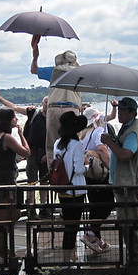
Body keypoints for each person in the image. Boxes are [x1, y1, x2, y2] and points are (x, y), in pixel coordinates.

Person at [0, 86, 49, 218]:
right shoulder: (33, 114)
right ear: (42, 103)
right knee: (31, 182)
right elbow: (26, 152)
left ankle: (43, 208)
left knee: (44, 182)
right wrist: (21, 135)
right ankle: (31, 209)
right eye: (45, 102)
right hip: (13, 170)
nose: (47, 105)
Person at [101, 97, 138, 263]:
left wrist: (109, 143)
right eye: (119, 109)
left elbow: (125, 155)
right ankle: (137, 254)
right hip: (125, 182)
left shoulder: (132, 131)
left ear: (132, 112)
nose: (119, 113)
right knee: (128, 221)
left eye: (123, 110)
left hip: (128, 184)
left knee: (129, 221)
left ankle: (137, 256)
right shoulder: (129, 127)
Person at [0, 108, 30, 259]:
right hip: (6, 181)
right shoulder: (7, 138)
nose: (16, 119)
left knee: (11, 214)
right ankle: (2, 251)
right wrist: (22, 135)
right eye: (14, 117)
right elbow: (26, 152)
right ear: (8, 120)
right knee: (6, 218)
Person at [30, 35, 81, 162]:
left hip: (54, 108)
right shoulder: (80, 73)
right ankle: (73, 168)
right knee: (74, 144)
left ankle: (53, 170)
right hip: (72, 109)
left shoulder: (53, 71)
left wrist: (35, 56)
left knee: (51, 146)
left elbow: (34, 70)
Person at [51, 112, 88, 262]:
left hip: (63, 189)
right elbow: (79, 169)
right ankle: (67, 258)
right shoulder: (76, 145)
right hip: (76, 190)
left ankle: (71, 255)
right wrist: (88, 166)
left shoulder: (57, 144)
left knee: (68, 224)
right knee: (73, 226)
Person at [79, 107, 113, 251]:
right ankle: (91, 232)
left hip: (89, 174)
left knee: (95, 205)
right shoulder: (98, 131)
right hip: (100, 173)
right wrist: (111, 168)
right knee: (108, 203)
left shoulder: (82, 135)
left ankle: (96, 239)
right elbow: (102, 149)